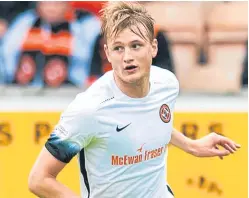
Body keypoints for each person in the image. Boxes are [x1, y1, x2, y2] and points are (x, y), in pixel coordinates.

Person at [28, 2, 240, 198]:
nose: (127, 56)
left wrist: (191, 146)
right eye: (118, 48)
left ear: (154, 47)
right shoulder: (89, 109)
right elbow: (39, 179)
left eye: (136, 45)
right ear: (107, 53)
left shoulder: (167, 84)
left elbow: (150, 120)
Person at [1, 1, 101, 88]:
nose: (51, 8)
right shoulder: (24, 23)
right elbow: (7, 55)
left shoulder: (81, 26)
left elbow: (84, 64)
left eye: (57, 3)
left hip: (68, 93)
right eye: (47, 3)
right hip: (22, 93)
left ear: (67, 4)